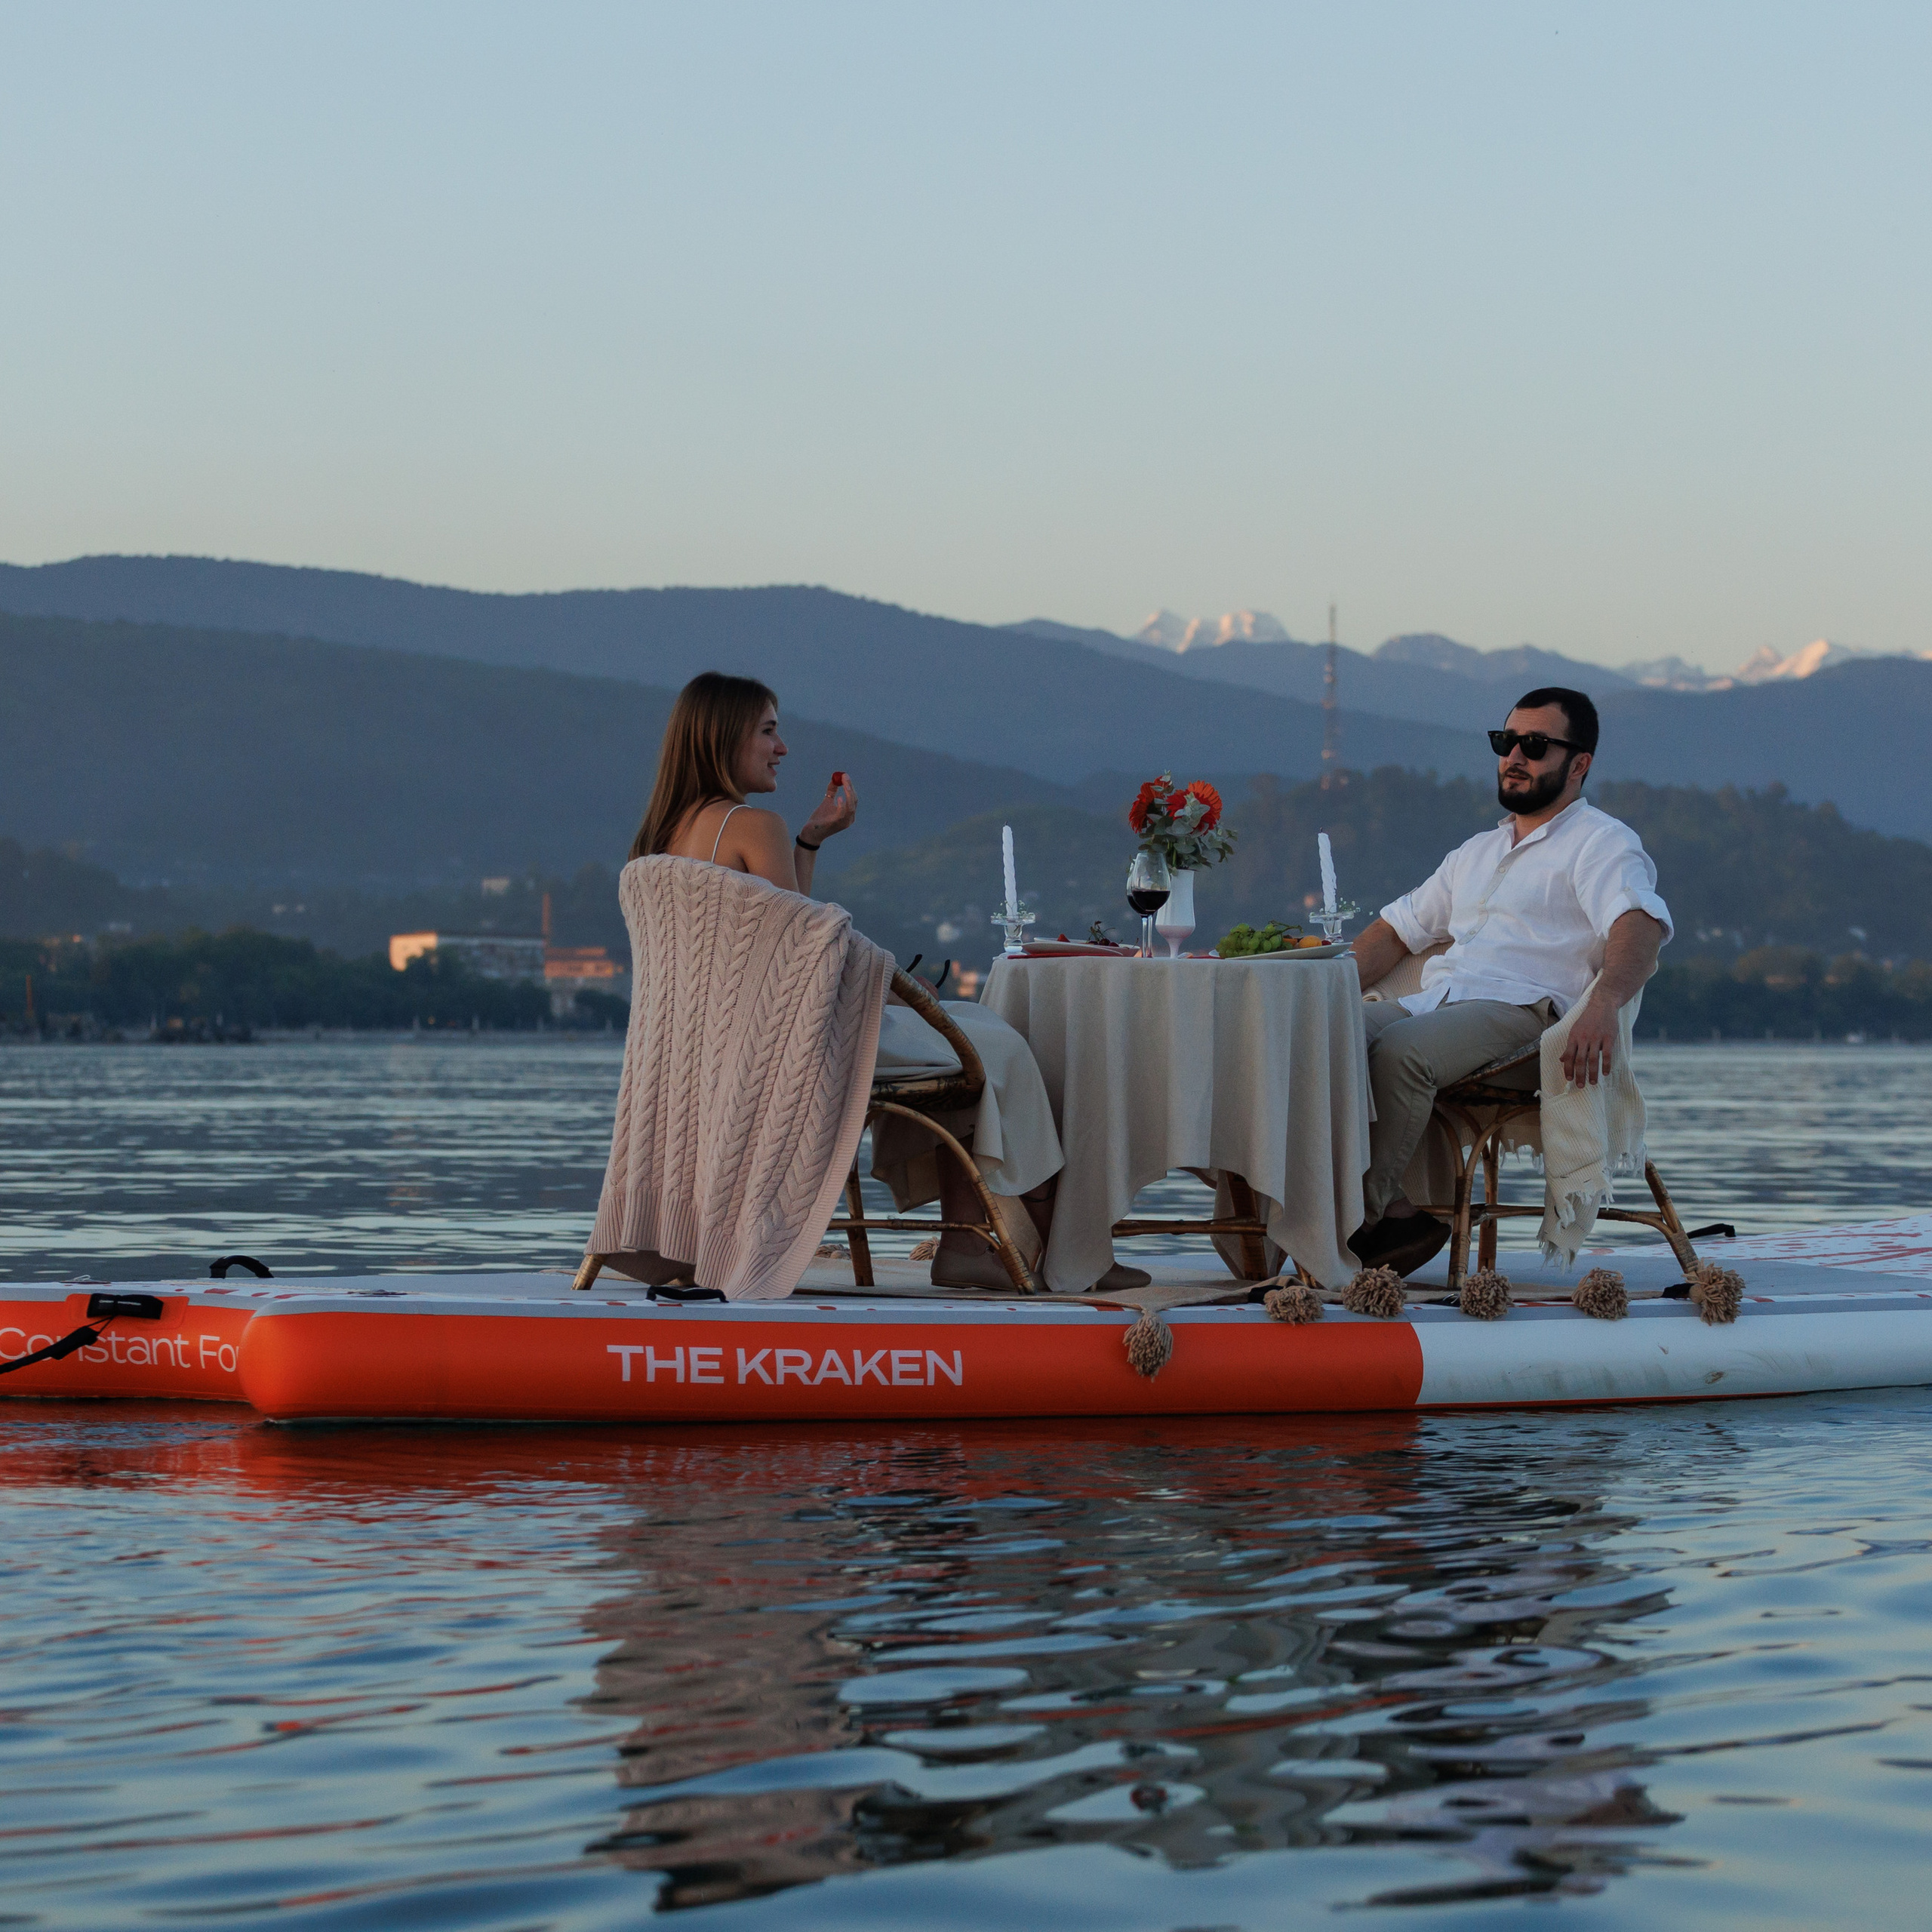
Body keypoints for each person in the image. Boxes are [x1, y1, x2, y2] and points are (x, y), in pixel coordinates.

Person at [632, 672, 1088, 1290]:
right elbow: (803, 960)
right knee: (997, 1041)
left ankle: (972, 1246)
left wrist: (810, 839)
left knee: (968, 1028)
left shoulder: (662, 837)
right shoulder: (751, 822)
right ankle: (1056, 1237)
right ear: (725, 738)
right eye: (769, 731)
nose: (782, 748)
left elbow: (776, 931)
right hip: (789, 1051)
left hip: (712, 1054)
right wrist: (892, 984)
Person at [1346, 687, 1673, 1278]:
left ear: (1580, 765)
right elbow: (1395, 931)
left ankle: (1352, 1231)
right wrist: (1325, 990)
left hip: (1528, 1019)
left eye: (1535, 745)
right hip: (1438, 1004)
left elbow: (1640, 925)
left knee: (1401, 1053)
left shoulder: (1601, 842)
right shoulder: (1476, 851)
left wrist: (1603, 1003)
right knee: (1317, 1033)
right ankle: (1392, 1212)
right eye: (1506, 742)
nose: (1514, 757)